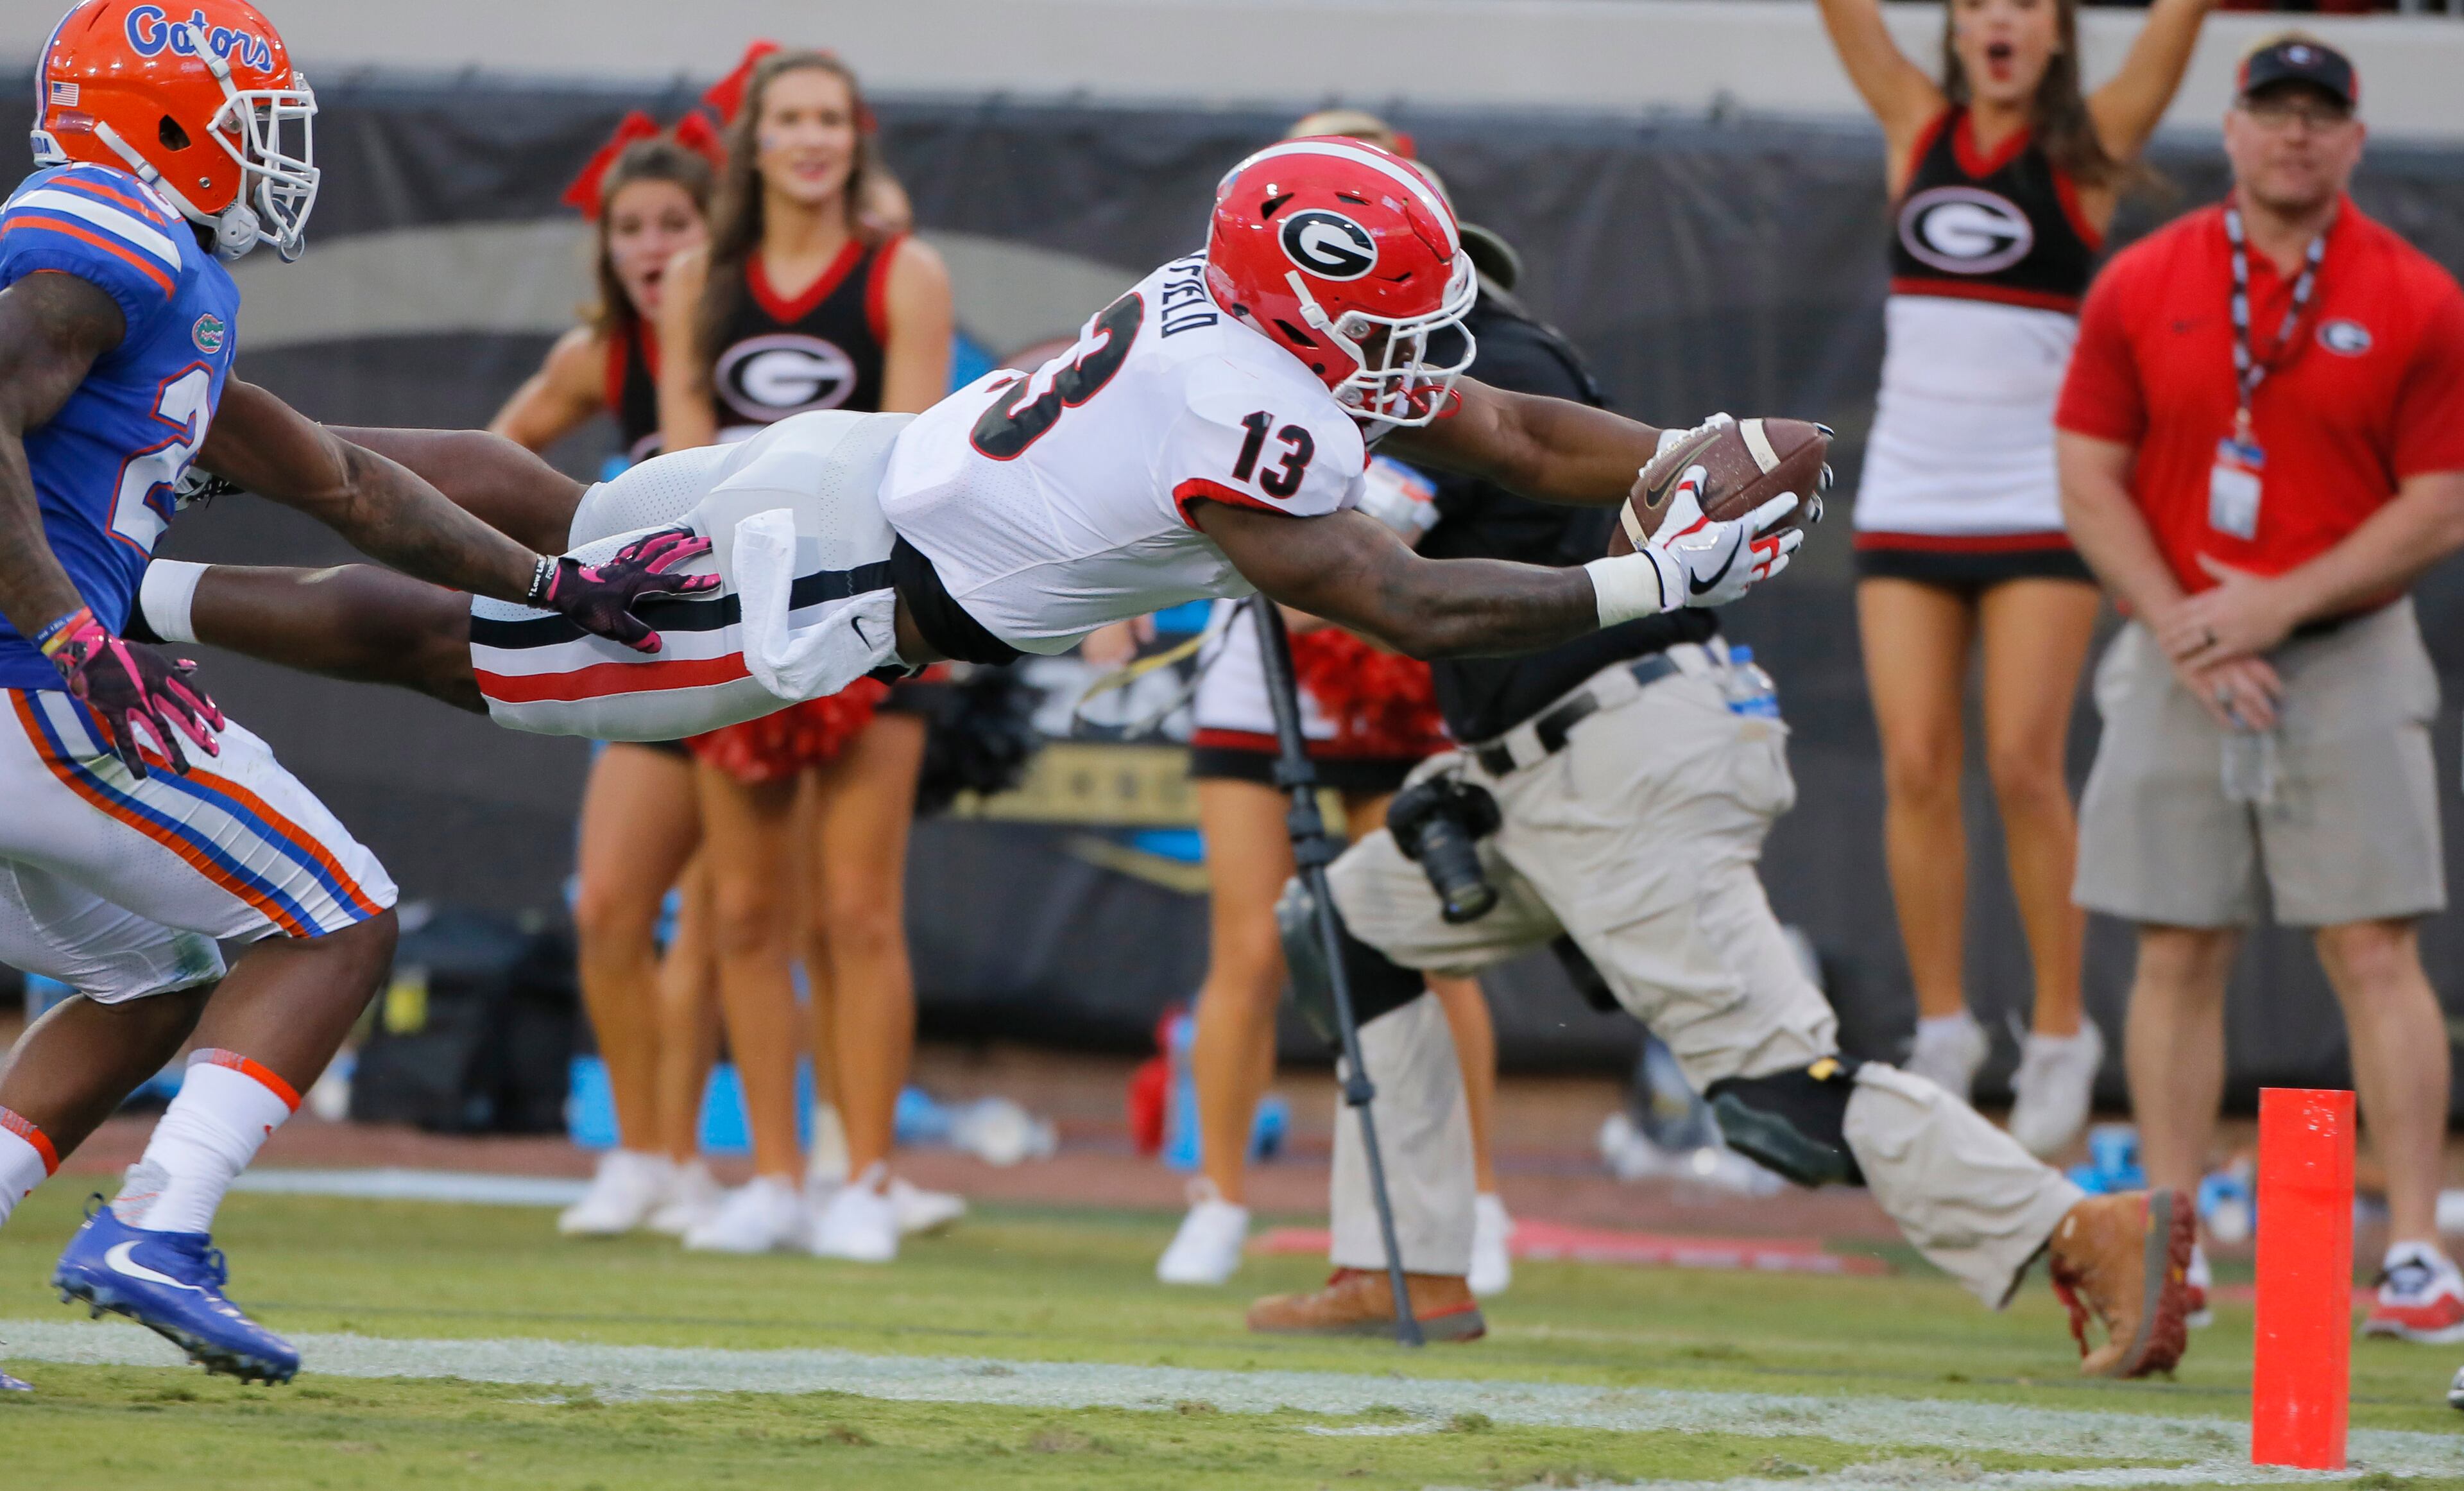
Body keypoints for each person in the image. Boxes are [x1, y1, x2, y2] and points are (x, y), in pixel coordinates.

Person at [1236, 245, 2189, 1378]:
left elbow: (1356, 559)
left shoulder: (1465, 370)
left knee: (1777, 1099)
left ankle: (2079, 1227)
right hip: (1550, 760)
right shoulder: (1501, 354)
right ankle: (1406, 1265)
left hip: (1616, 753)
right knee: (1345, 926)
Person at [0, 0, 686, 1388]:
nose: (270, 155)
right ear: (169, 121)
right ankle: (159, 1225)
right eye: (253, 125)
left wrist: (555, 584)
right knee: (336, 918)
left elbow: (348, 483)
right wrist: (72, 632)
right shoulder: (98, 231)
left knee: (150, 978)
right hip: (35, 688)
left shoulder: (152, 274)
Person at [2056, 35, 2464, 1341]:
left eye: (2318, 117)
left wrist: (2271, 608)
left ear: (2354, 140)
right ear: (2229, 131)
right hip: (2179, 650)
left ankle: (2410, 1246)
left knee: (2374, 943)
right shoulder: (2144, 280)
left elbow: (2443, 501)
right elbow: (2083, 468)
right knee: (2174, 943)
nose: (2294, 135)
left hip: (2343, 647)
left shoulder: (2414, 296)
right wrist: (2188, 625)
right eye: (2272, 112)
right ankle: (2173, 1244)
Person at [1816, 0, 2214, 1151]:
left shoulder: (2091, 146)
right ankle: (1945, 1023)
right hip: (1910, 492)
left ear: (2055, 36)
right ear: (1956, 29)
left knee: (2024, 764)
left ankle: (2056, 1032)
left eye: (2027, 6)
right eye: (1982, 3)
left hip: (2037, 497)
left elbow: (2176, 27)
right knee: (1916, 763)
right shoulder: (1915, 122)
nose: (2002, 21)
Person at [1141, 110, 1509, 1298]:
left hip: (1401, 682)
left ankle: (1476, 1199)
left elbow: (1410, 539)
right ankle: (1219, 1199)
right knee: (1249, 947)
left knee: (1435, 948)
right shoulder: (1219, 358)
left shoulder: (1424, 372)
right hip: (1266, 677)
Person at [652, 47, 957, 1259]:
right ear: (755, 141)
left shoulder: (904, 274)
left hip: (874, 619)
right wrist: (740, 600)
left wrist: (842, 601)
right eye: (790, 119)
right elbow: (683, 469)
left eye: (832, 118)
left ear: (856, 137)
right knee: (740, 913)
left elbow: (923, 459)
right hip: (736, 622)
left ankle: (866, 1179)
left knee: (857, 913)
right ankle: (773, 1177)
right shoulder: (699, 281)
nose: (812, 138)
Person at [488, 125, 731, 1238]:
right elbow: (492, 453)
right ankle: (641, 1157)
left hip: (762, 661)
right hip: (654, 658)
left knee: (731, 924)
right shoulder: (599, 352)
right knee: (614, 912)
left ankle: (707, 1160)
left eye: (675, 226)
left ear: (714, 233)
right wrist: (587, 516)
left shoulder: (736, 332)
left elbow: (696, 477)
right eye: (630, 229)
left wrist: (685, 338)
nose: (652, 247)